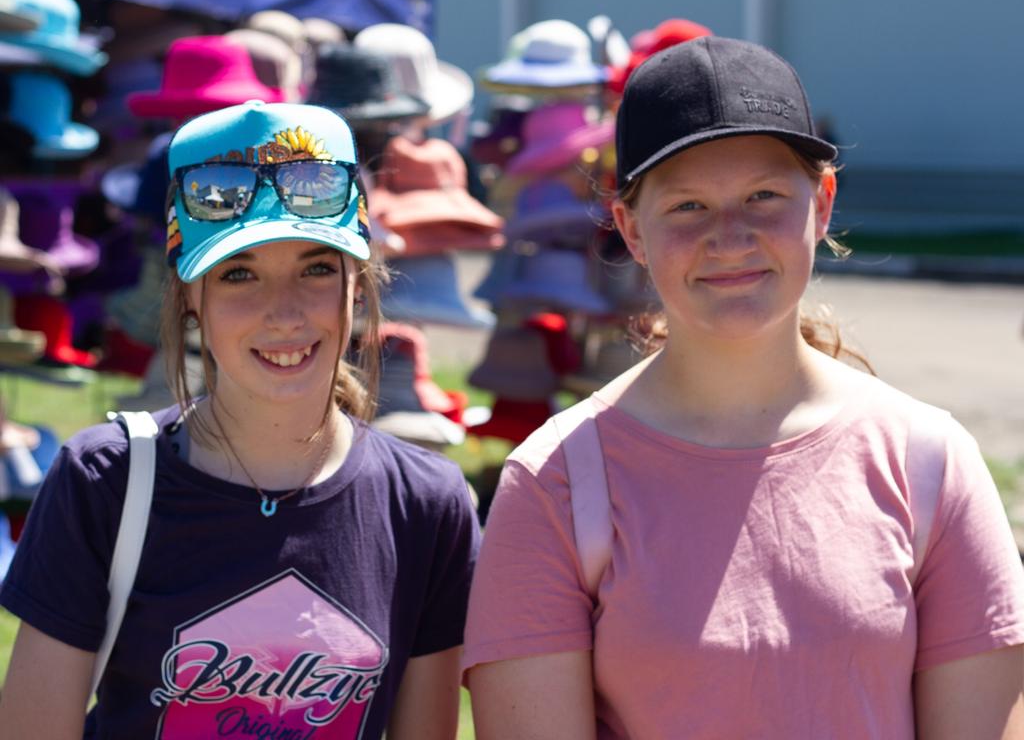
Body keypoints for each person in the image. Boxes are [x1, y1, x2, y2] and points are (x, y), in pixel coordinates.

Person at [462, 36, 1024, 739]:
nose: (731, 237)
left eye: (763, 195)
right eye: (689, 206)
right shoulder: (556, 482)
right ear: (632, 230)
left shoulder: (930, 463)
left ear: (822, 203)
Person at [0, 100, 480, 739]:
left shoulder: (427, 504)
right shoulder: (106, 481)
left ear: (357, 285)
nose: (283, 313)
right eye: (239, 275)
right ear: (190, 296)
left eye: (315, 268)